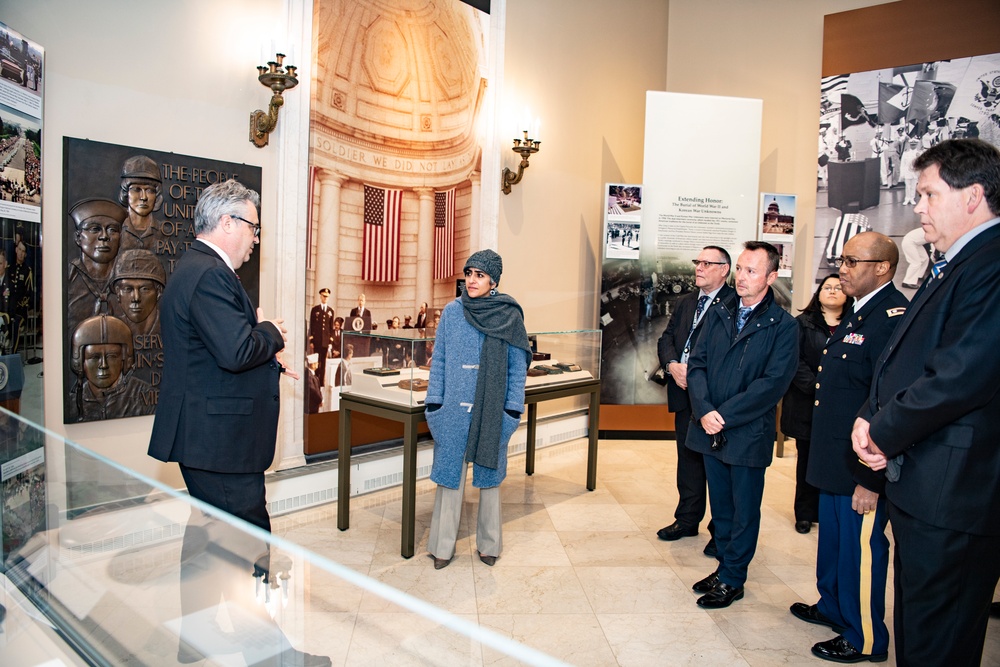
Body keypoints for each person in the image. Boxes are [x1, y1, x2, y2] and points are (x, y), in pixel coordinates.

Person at [852, 138, 1000, 666]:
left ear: (972, 196)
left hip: (954, 492)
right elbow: (906, 360)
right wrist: (872, 413)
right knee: (918, 628)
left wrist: (881, 431)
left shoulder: (991, 264)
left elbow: (961, 375)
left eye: (928, 194)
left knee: (939, 639)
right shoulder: (961, 262)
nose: (917, 207)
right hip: (926, 482)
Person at [789, 232, 907, 663]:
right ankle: (834, 607)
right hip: (836, 457)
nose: (843, 268)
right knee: (835, 543)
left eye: (854, 261)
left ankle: (865, 638)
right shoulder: (860, 314)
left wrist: (871, 477)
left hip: (861, 465)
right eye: (842, 259)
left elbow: (889, 403)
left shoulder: (893, 318)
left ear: (883, 268)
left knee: (860, 552)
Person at [148, 179, 292, 535]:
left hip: (213, 441)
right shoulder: (211, 274)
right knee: (243, 548)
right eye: (253, 228)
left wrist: (266, 355)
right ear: (228, 222)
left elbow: (217, 351)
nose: (256, 239)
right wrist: (270, 331)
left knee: (211, 547)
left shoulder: (198, 267)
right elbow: (237, 351)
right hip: (220, 445)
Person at [686, 241, 797, 609]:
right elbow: (697, 364)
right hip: (710, 427)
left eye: (752, 271)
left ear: (771, 276)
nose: (742, 277)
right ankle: (724, 568)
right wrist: (703, 409)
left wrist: (724, 415)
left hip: (746, 433)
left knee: (744, 510)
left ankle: (733, 578)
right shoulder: (719, 311)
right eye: (741, 269)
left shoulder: (783, 325)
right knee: (722, 510)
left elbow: (773, 383)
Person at [425, 249, 531, 569]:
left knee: (489, 480)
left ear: (493, 281)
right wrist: (435, 403)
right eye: (469, 273)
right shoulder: (452, 312)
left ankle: (489, 544)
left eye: (479, 275)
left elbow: (516, 368)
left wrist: (512, 410)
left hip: (492, 409)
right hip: (453, 410)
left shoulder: (509, 315)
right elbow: (439, 360)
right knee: (449, 479)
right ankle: (442, 548)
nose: (471, 280)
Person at [655, 245, 736, 557]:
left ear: (724, 269)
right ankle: (687, 519)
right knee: (687, 459)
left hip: (712, 399)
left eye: (707, 263)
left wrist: (699, 375)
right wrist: (672, 365)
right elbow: (667, 338)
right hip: (682, 390)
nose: (699, 267)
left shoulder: (734, 303)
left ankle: (721, 531)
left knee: (716, 465)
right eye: (697, 262)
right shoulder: (688, 301)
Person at [780, 274, 848, 535]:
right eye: (827, 287)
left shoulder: (854, 324)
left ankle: (828, 512)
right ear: (818, 293)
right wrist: (818, 386)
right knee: (807, 459)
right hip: (807, 404)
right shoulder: (801, 324)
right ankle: (805, 513)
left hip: (841, 406)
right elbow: (794, 362)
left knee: (835, 461)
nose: (832, 291)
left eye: (838, 287)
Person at [68, 314, 154, 422]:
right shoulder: (71, 402)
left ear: (125, 359)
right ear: (79, 363)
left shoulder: (146, 395)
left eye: (112, 356)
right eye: (94, 357)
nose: (103, 365)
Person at [66, 198, 125, 331]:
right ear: (78, 238)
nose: (104, 236)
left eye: (112, 230)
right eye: (94, 229)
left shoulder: (127, 277)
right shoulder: (68, 277)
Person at [117, 155, 169, 254]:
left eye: (150, 190)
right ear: (125, 192)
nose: (144, 197)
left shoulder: (165, 232)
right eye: (136, 189)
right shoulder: (115, 230)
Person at [112, 248, 166, 338]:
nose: (136, 298)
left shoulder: (172, 326)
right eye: (128, 289)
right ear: (118, 293)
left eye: (144, 289)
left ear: (159, 292)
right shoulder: (110, 330)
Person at [308, 287, 335, 385]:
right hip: (317, 340)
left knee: (323, 362)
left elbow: (331, 328)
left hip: (325, 341)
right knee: (316, 361)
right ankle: (315, 380)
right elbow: (312, 325)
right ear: (320, 296)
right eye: (324, 296)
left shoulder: (330, 311)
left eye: (327, 297)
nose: (325, 298)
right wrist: (311, 340)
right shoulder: (315, 310)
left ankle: (321, 382)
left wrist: (330, 342)